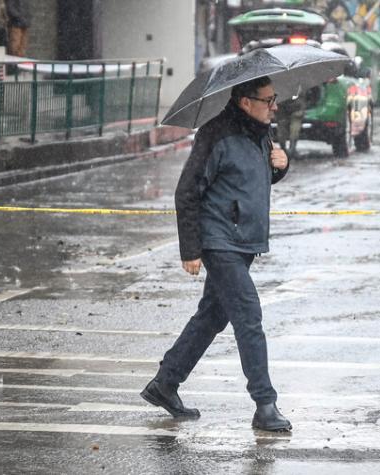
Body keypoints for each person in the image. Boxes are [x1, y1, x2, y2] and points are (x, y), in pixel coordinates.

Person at [141, 76, 293, 432]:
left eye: (275, 99)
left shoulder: (261, 133)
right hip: (219, 240)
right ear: (244, 101)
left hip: (242, 241)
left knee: (213, 315)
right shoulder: (217, 134)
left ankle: (165, 384)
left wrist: (280, 168)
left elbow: (250, 181)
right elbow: (187, 192)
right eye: (268, 100)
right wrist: (191, 249)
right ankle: (265, 404)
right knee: (248, 314)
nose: (274, 106)